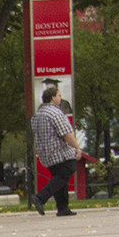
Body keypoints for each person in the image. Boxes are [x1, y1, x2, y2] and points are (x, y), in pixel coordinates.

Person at [31, 84, 85, 217]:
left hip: (46, 154)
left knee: (60, 178)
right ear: (53, 98)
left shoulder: (37, 115)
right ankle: (41, 197)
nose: (60, 98)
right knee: (66, 171)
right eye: (59, 95)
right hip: (60, 152)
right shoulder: (55, 113)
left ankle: (63, 207)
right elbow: (66, 133)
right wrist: (77, 147)